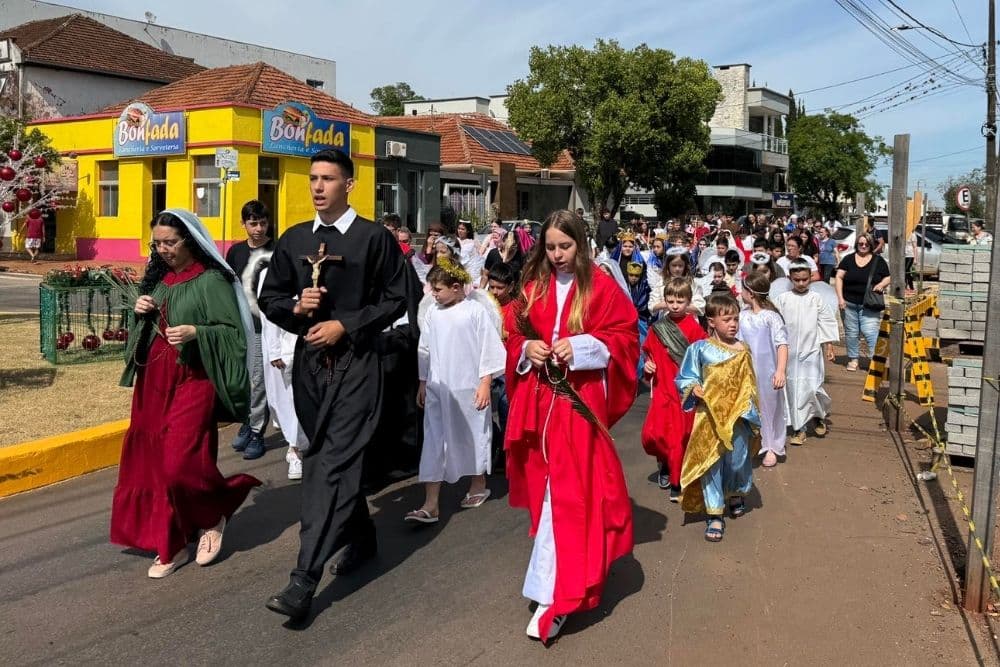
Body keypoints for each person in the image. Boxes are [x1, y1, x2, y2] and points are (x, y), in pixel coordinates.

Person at [258, 149, 409, 621]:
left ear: (350, 183)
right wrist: (297, 310)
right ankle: (362, 538)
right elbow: (271, 297)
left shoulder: (373, 239)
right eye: (313, 179)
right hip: (311, 367)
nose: (318, 186)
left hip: (357, 364)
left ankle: (304, 579)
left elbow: (399, 297)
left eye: (328, 178)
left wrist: (347, 325)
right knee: (327, 453)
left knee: (328, 463)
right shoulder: (295, 238)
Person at [503, 209, 638, 642]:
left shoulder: (600, 286)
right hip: (539, 403)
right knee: (548, 493)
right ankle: (557, 581)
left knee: (569, 494)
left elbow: (625, 338)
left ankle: (555, 593)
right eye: (551, 247)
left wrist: (579, 347)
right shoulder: (534, 286)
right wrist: (529, 348)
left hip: (577, 404)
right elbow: (512, 330)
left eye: (565, 246)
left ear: (580, 244)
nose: (558, 255)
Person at [111, 210, 260, 578]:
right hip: (154, 385)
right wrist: (140, 311)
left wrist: (198, 332)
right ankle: (171, 542)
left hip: (195, 380)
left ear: (189, 241)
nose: (163, 250)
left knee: (180, 463)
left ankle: (212, 514)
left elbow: (234, 336)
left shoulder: (212, 282)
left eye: (170, 242)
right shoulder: (160, 282)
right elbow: (143, 338)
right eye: (157, 243)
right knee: (153, 467)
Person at [405, 259, 506, 523]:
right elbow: (425, 349)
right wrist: (423, 381)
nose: (434, 295)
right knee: (434, 440)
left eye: (438, 290)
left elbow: (489, 345)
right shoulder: (433, 313)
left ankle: (478, 483)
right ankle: (431, 503)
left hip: (468, 387)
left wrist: (485, 381)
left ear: (457, 287)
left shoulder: (475, 311)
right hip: (440, 387)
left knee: (472, 435)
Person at [676, 293, 760, 543]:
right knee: (711, 464)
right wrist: (693, 387)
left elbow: (750, 383)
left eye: (735, 319)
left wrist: (750, 408)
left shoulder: (743, 350)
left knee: (737, 461)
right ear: (711, 322)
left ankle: (735, 492)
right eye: (727, 319)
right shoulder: (699, 349)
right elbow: (686, 376)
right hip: (709, 417)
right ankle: (714, 513)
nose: (733, 324)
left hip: (738, 417)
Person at [641, 278, 706, 500]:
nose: (675, 305)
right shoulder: (657, 329)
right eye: (670, 301)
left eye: (680, 301)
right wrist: (648, 366)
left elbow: (703, 360)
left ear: (688, 302)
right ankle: (665, 462)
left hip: (684, 393)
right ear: (664, 301)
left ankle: (676, 482)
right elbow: (648, 355)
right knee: (653, 434)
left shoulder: (696, 330)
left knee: (679, 438)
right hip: (661, 390)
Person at [226, 200, 275, 460]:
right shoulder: (235, 253)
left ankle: (257, 431)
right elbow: (228, 288)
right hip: (241, 325)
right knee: (245, 380)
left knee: (258, 381)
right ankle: (248, 421)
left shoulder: (277, 251)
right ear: (243, 224)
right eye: (253, 223)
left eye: (263, 223)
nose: (258, 228)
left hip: (264, 326)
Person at [253, 260, 310, 480]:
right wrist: (275, 350)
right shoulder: (273, 272)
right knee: (287, 399)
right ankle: (295, 450)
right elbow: (269, 314)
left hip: (311, 342)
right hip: (284, 346)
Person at [774, 261, 838, 446]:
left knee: (812, 388)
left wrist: (830, 347)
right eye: (797, 280)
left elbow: (826, 322)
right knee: (794, 391)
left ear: (811, 278)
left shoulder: (817, 298)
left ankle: (818, 415)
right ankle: (799, 429)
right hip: (790, 354)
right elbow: (775, 324)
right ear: (790, 279)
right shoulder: (783, 299)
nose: (801, 284)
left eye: (804, 280)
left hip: (812, 352)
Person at [738, 272, 788, 467]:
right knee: (748, 406)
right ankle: (751, 443)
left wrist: (780, 370)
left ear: (750, 293)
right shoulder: (742, 316)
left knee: (769, 408)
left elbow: (782, 344)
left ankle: (771, 446)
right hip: (746, 370)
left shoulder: (771, 317)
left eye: (743, 289)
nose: (740, 292)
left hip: (767, 371)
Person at [834, 233, 890, 372]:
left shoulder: (878, 261)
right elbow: (839, 277)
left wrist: (881, 285)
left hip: (869, 304)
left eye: (866, 244)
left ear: (871, 245)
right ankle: (853, 359)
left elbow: (888, 277)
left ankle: (874, 360)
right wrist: (840, 298)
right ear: (857, 244)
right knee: (851, 333)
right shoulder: (848, 259)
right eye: (861, 244)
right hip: (848, 303)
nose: (863, 246)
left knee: (870, 332)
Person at [486, 261, 519, 469]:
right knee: (484, 415)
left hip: (508, 368)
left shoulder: (517, 308)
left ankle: (508, 458)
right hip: (487, 369)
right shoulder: (483, 305)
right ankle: (495, 443)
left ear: (511, 286)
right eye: (492, 287)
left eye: (500, 288)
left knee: (507, 411)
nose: (495, 292)